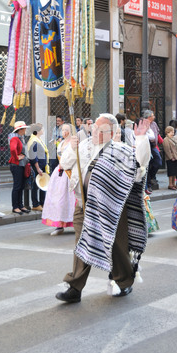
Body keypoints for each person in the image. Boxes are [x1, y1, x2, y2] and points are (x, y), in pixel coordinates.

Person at [55, 114, 151, 303]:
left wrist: (140, 138)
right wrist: (71, 147)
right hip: (84, 205)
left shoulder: (121, 150)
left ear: (113, 132)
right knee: (82, 243)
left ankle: (124, 282)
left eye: (102, 130)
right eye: (95, 128)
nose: (96, 132)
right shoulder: (83, 146)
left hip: (111, 207)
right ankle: (75, 287)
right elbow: (64, 164)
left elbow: (139, 168)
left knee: (116, 245)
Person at [42, 124, 75, 235]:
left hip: (70, 172)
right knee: (57, 198)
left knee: (70, 199)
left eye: (67, 130)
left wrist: (66, 164)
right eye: (63, 130)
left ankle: (75, 222)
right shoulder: (60, 143)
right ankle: (59, 225)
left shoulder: (73, 143)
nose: (64, 131)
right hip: (59, 173)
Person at [9, 121, 31, 215]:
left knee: (21, 186)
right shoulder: (15, 138)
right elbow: (12, 149)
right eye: (24, 128)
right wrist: (16, 157)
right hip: (17, 164)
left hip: (21, 164)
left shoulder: (21, 138)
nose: (26, 129)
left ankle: (20, 205)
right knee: (17, 186)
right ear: (20, 129)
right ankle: (15, 206)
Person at [27, 123, 50, 212]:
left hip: (42, 165)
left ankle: (42, 203)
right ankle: (35, 204)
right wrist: (37, 168)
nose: (43, 130)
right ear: (38, 131)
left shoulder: (37, 139)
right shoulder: (33, 140)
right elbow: (33, 155)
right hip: (38, 166)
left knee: (43, 184)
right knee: (36, 185)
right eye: (42, 129)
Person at [143, 110, 162, 191]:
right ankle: (149, 183)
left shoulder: (154, 124)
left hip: (154, 146)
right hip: (146, 146)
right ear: (149, 117)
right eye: (153, 115)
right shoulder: (143, 123)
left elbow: (157, 134)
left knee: (158, 162)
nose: (154, 117)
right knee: (147, 164)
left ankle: (151, 176)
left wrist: (161, 141)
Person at [163, 126, 177, 190]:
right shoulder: (166, 139)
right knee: (171, 172)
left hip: (176, 157)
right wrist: (171, 157)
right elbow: (167, 149)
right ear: (167, 132)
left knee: (175, 172)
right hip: (170, 158)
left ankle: (173, 184)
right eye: (171, 132)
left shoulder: (173, 138)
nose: (173, 133)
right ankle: (170, 184)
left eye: (173, 132)